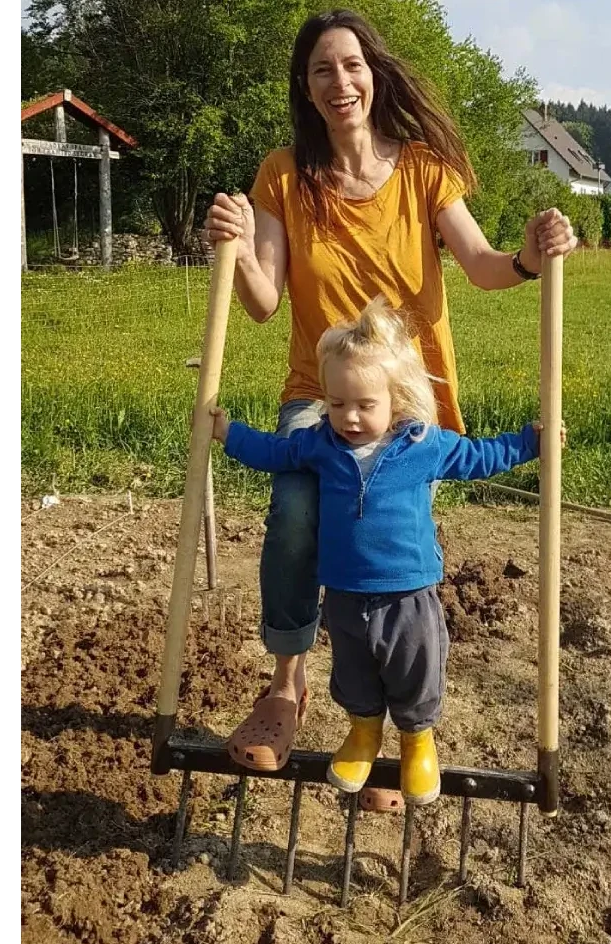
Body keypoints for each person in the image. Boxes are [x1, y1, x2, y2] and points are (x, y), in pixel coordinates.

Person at [202, 7, 576, 810]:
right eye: (321, 70)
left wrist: (526, 257)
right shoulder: (284, 174)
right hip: (319, 395)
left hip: (407, 400)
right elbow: (264, 302)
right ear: (305, 88)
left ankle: (397, 730)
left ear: (373, 74)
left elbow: (481, 265)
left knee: (387, 554)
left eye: (351, 65)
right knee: (298, 512)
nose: (339, 82)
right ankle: (288, 686)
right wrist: (230, 246)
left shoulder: (425, 170)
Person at [210, 299, 562, 804]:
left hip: (408, 593)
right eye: (336, 404)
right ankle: (363, 735)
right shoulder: (320, 444)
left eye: (364, 405)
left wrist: (530, 443)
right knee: (353, 673)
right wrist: (228, 434)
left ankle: (417, 743)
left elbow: (479, 456)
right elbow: (275, 452)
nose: (348, 418)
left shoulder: (423, 445)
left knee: (415, 671)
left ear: (395, 400)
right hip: (344, 592)